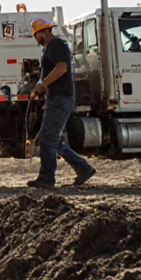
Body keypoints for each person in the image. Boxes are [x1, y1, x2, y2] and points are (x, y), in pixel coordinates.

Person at [27, 18, 96, 189]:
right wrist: (40, 88)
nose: (35, 39)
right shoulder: (49, 48)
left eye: (36, 35)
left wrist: (43, 85)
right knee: (51, 139)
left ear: (43, 32)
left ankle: (47, 178)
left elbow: (61, 68)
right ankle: (83, 168)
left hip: (61, 98)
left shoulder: (56, 45)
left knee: (48, 138)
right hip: (57, 98)